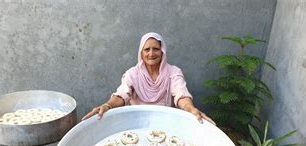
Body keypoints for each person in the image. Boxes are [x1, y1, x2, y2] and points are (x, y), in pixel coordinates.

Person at [81, 32, 215, 125]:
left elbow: (181, 95)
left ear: (162, 51)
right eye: (147, 49)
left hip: (165, 121)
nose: (151, 54)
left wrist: (191, 109)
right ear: (141, 52)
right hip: (135, 122)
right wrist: (107, 105)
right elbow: (122, 95)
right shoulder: (132, 73)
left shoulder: (173, 72)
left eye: (156, 49)